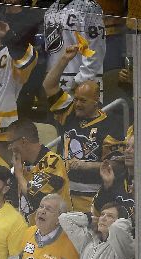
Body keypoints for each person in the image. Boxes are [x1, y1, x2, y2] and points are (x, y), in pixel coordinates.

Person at [45, 44, 125, 216]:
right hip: (63, 191)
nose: (78, 104)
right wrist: (65, 59)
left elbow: (116, 165)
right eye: (76, 99)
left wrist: (85, 166)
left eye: (83, 101)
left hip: (92, 197)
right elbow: (49, 86)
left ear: (96, 101)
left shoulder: (111, 124)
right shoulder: (70, 113)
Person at [9, 118, 72, 222]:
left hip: (53, 233)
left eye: (11, 142)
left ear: (23, 141)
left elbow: (35, 199)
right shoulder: (21, 164)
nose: (9, 147)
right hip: (30, 232)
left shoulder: (52, 161)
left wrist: (19, 175)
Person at [43, 0, 105, 91]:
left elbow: (96, 47)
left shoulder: (89, 6)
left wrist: (83, 80)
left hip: (80, 84)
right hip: (54, 82)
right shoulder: (51, 9)